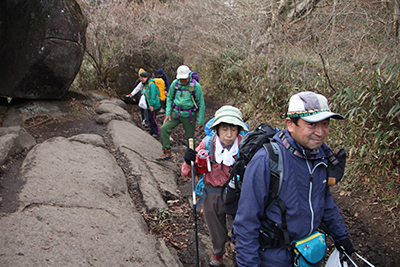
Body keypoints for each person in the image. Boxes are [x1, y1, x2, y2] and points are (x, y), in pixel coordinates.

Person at [233, 91, 355, 266]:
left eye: (325, 123)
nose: (320, 132)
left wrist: (341, 237)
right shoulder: (267, 160)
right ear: (290, 124)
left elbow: (325, 201)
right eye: (312, 124)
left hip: (309, 254)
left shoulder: (320, 157)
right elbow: (247, 221)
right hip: (274, 259)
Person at [181, 105, 248, 267]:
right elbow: (187, 172)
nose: (229, 135)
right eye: (224, 129)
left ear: (239, 129)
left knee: (240, 224)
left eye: (233, 129)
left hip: (237, 193)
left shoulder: (245, 146)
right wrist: (189, 160)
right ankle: (218, 252)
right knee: (214, 225)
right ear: (217, 129)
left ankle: (241, 250)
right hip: (211, 192)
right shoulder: (207, 144)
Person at [156, 65, 205, 160]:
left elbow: (201, 103)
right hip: (176, 112)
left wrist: (200, 120)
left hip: (189, 115)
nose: (182, 81)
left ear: (189, 76)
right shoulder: (175, 84)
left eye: (184, 79)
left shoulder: (195, 86)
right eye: (181, 79)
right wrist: (168, 113)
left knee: (190, 138)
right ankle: (166, 152)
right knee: (164, 129)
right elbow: (169, 97)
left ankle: (191, 159)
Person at [137, 71, 161, 137]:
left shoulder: (151, 84)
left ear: (147, 77)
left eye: (143, 78)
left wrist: (152, 105)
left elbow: (153, 95)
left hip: (153, 104)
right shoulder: (145, 84)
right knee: (149, 118)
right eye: (141, 78)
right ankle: (152, 130)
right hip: (148, 104)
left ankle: (157, 132)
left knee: (153, 118)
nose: (142, 80)